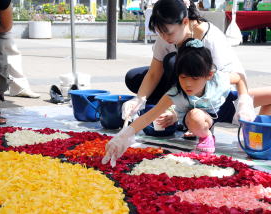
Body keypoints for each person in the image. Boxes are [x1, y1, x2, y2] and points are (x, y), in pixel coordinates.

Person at [102, 38, 271, 167]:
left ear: (209, 75)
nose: (188, 84)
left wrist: (244, 101)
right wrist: (123, 136)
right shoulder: (176, 93)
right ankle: (206, 138)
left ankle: (257, 135)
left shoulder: (218, 79)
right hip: (201, 117)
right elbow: (148, 117)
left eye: (195, 78)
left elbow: (240, 78)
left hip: (227, 105)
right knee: (195, 116)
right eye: (183, 77)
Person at [122, 0, 247, 138]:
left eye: (168, 33)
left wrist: (188, 116)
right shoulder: (165, 36)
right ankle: (170, 107)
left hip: (214, 91)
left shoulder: (211, 39)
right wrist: (139, 100)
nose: (164, 38)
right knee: (134, 77)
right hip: (186, 85)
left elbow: (223, 81)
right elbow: (153, 73)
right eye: (160, 32)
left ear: (185, 22)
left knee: (172, 62)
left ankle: (188, 115)